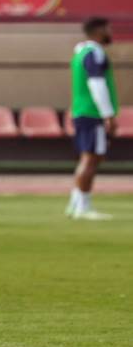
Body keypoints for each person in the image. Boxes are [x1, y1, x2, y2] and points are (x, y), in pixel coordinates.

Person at [66, 17, 118, 221]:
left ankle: (75, 203)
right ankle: (83, 207)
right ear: (98, 31)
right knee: (91, 159)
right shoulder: (94, 53)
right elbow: (97, 84)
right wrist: (108, 114)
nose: (110, 33)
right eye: (108, 29)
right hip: (92, 112)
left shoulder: (80, 53)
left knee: (87, 158)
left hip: (82, 111)